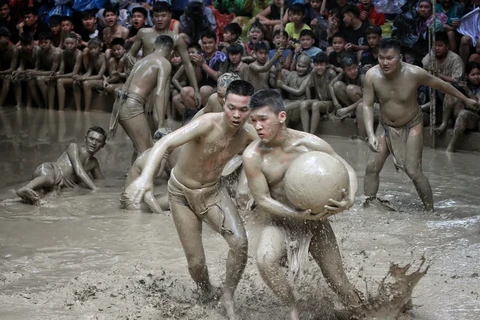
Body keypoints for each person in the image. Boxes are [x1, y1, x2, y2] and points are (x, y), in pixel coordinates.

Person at [123, 80, 257, 320]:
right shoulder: (206, 124)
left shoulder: (249, 134)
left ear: (251, 109)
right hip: (181, 194)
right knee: (196, 263)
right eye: (232, 108)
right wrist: (146, 178)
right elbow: (165, 142)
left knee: (240, 243)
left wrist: (246, 183)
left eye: (243, 109)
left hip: (213, 192)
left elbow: (264, 152)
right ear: (223, 103)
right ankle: (206, 291)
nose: (236, 115)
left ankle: (228, 295)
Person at [242, 89, 363, 320]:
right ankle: (292, 305)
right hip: (278, 219)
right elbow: (262, 199)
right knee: (265, 260)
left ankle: (365, 313)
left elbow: (344, 167)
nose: (257, 127)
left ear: (281, 117)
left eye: (263, 120)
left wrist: (350, 197)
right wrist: (295, 215)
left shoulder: (309, 143)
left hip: (316, 221)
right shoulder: (253, 156)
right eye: (253, 121)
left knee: (339, 282)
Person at [362, 38, 479, 211]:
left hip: (411, 124)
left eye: (389, 58)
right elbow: (367, 105)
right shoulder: (372, 75)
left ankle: (430, 211)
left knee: (413, 171)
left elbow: (442, 85)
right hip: (385, 126)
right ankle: (369, 204)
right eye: (381, 58)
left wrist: (465, 99)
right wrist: (371, 134)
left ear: (400, 57)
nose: (385, 62)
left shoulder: (414, 73)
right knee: (371, 167)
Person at [109, 35, 174, 158]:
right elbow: (160, 93)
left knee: (139, 147)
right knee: (146, 151)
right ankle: (138, 177)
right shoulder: (164, 63)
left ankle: (133, 175)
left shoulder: (142, 60)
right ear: (171, 52)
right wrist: (161, 124)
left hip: (120, 103)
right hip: (132, 105)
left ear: (155, 46)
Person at [127, 2, 200, 108]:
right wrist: (133, 64)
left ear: (170, 16)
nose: (159, 19)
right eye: (156, 16)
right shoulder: (143, 33)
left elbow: (187, 64)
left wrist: (196, 90)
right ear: (152, 17)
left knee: (158, 118)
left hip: (163, 80)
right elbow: (130, 54)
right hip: (143, 77)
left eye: (163, 16)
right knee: (139, 113)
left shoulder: (176, 38)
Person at [16, 126, 107, 205]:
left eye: (98, 141)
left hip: (58, 185)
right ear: (85, 138)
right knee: (50, 179)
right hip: (52, 170)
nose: (94, 143)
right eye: (91, 139)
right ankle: (26, 188)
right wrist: (95, 189)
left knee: (38, 198)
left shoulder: (94, 163)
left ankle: (29, 195)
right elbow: (79, 171)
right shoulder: (74, 147)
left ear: (103, 145)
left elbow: (101, 181)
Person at [422, 31, 465, 134]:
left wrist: (439, 76)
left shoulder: (455, 59)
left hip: (454, 92)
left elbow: (457, 80)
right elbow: (423, 72)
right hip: (432, 90)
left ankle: (444, 123)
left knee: (448, 87)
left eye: (440, 45)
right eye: (434, 45)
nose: (436, 48)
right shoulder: (429, 57)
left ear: (447, 46)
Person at [446, 61, 480, 152]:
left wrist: (468, 92)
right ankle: (444, 123)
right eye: (473, 74)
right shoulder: (463, 84)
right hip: (458, 117)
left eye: (478, 74)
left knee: (463, 114)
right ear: (467, 76)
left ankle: (451, 146)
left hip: (475, 119)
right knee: (451, 95)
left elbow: (477, 105)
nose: (476, 77)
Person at [300, 52, 337, 133]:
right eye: (316, 65)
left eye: (321, 65)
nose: (319, 67)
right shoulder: (313, 72)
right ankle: (305, 133)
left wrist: (334, 111)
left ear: (327, 65)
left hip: (329, 102)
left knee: (315, 105)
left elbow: (335, 94)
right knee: (303, 104)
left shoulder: (331, 73)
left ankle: (312, 135)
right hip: (318, 100)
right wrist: (309, 100)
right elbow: (308, 87)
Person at [30, 31, 61, 110]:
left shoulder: (57, 53)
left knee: (39, 79)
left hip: (58, 73)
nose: (43, 45)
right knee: (30, 80)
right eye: (41, 42)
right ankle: (40, 104)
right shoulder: (39, 51)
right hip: (46, 72)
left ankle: (48, 104)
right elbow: (37, 67)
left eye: (45, 42)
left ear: (50, 42)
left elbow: (52, 72)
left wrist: (37, 73)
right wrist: (27, 72)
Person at [53, 32, 82, 111]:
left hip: (80, 75)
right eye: (67, 43)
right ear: (64, 44)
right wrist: (55, 73)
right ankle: (60, 109)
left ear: (76, 44)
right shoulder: (63, 53)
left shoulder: (79, 54)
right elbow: (61, 70)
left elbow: (74, 73)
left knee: (60, 81)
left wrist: (58, 76)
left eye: (71, 43)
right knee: (53, 80)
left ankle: (79, 109)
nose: (69, 46)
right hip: (70, 75)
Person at [76, 38, 107, 112]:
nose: (92, 50)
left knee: (86, 83)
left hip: (105, 79)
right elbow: (89, 72)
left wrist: (83, 79)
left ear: (100, 48)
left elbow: (100, 76)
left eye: (95, 48)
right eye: (90, 48)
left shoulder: (105, 57)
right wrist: (81, 77)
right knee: (77, 82)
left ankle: (87, 110)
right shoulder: (92, 57)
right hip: (99, 78)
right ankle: (79, 109)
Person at [0, 27, 18, 107]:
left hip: (12, 72)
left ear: (7, 39)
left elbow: (12, 68)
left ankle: (0, 104)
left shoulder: (14, 50)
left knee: (7, 78)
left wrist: (1, 72)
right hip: (2, 71)